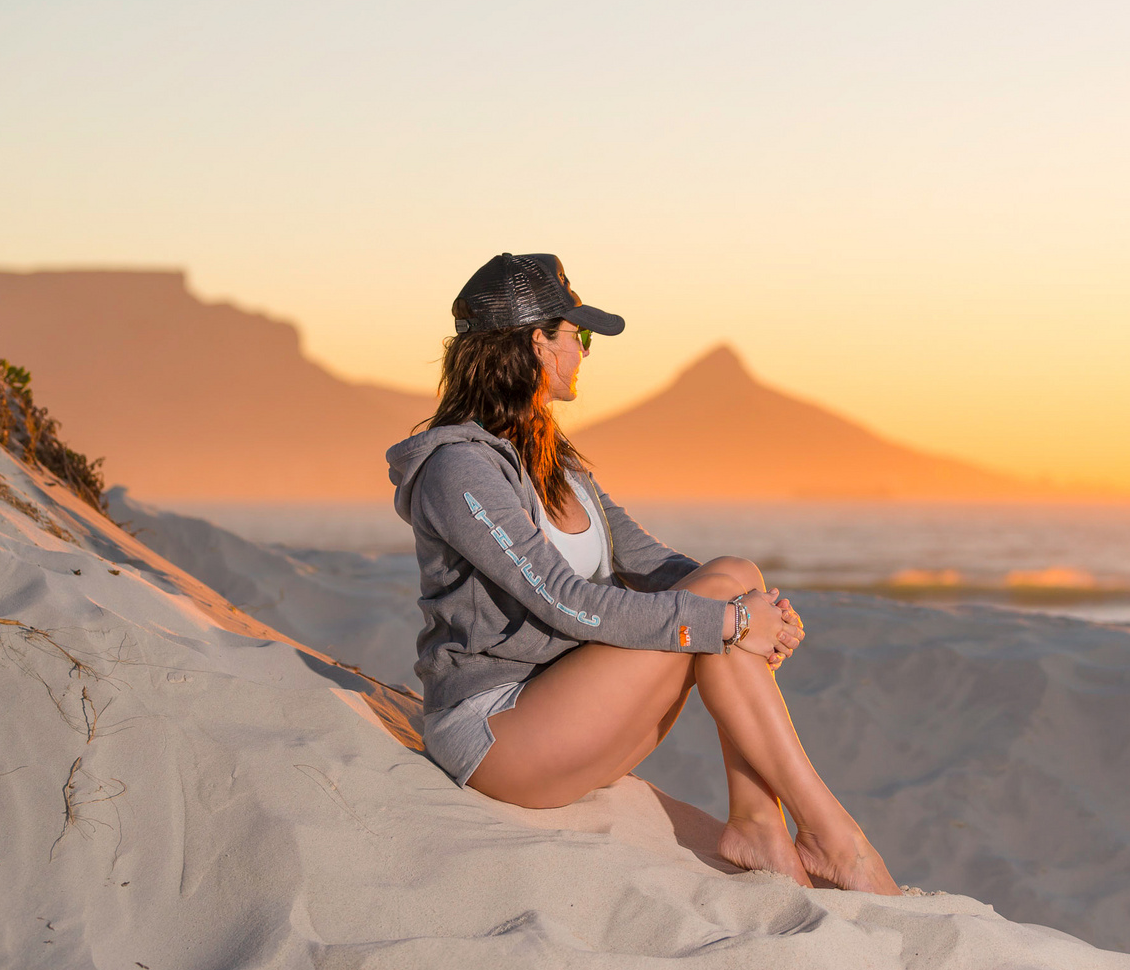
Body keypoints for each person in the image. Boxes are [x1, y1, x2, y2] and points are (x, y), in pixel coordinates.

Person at [386, 253, 902, 894]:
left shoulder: (555, 461)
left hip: (576, 714)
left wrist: (758, 611)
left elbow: (656, 566)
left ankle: (761, 824)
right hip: (498, 733)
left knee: (734, 573)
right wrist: (731, 621)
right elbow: (564, 602)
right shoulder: (457, 469)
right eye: (579, 336)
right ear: (534, 342)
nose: (583, 353)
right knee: (720, 605)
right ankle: (835, 837)